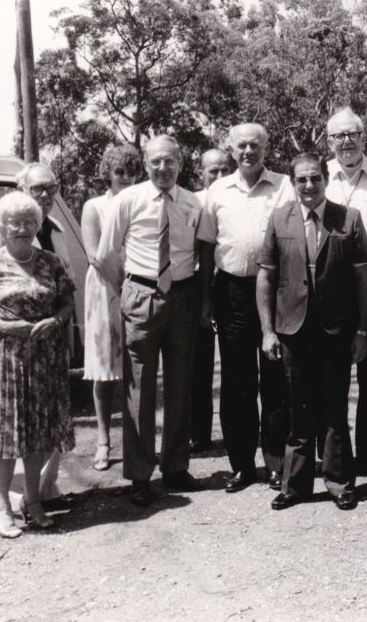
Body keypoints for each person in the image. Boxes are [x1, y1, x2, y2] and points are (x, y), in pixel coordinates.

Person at [258, 153, 367, 511]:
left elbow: (362, 279)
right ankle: (295, 486)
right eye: (301, 180)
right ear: (293, 184)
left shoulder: (349, 219)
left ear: (326, 180)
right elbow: (266, 277)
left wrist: (362, 331)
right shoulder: (279, 220)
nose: (309, 186)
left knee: (334, 408)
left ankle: (339, 482)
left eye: (315, 179)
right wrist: (268, 332)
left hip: (335, 331)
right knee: (298, 409)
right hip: (292, 329)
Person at [0, 192, 76, 538]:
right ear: (3, 227)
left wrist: (56, 321)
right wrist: (6, 327)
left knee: (39, 430)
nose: (22, 228)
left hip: (45, 361)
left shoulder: (51, 262)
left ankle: (34, 499)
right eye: (15, 223)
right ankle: (2, 504)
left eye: (29, 222)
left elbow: (68, 303)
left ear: (37, 225)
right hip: (5, 363)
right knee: (6, 434)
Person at [96, 135, 202, 507]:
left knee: (180, 384)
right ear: (145, 163)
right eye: (156, 161)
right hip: (141, 294)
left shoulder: (193, 202)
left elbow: (196, 252)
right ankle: (139, 475)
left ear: (180, 164)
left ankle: (175, 466)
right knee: (138, 389)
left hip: (182, 298)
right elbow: (106, 255)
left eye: (170, 162)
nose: (163, 168)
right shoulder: (128, 200)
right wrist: (128, 291)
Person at [197, 125, 292, 493]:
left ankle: (275, 462)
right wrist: (206, 297)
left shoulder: (283, 186)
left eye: (256, 144)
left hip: (274, 290)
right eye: (242, 146)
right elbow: (207, 247)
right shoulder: (218, 190)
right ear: (231, 150)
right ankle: (241, 465)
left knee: (274, 381)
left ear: (267, 147)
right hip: (232, 291)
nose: (249, 151)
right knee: (237, 383)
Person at [323, 106, 367, 475]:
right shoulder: (319, 177)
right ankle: (334, 458)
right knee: (331, 379)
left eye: (353, 134)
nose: (346, 142)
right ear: (328, 141)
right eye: (338, 136)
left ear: (365, 137)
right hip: (330, 296)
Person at [82, 144, 141, 471]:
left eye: (131, 171)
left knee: (135, 370)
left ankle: (137, 443)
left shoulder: (142, 201)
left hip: (138, 288)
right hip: (107, 288)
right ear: (108, 173)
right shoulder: (95, 206)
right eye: (119, 171)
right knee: (104, 371)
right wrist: (125, 286)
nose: (125, 177)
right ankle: (104, 442)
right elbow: (96, 254)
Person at [189, 148, 232, 454]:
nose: (218, 176)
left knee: (233, 362)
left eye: (224, 170)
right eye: (212, 171)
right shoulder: (191, 201)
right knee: (199, 364)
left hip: (229, 283)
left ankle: (238, 431)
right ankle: (199, 433)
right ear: (200, 173)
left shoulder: (235, 196)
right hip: (197, 283)